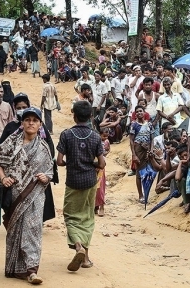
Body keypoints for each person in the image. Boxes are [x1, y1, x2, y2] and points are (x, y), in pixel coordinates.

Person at [0, 107, 53, 284]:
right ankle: (15, 268)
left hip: (35, 195)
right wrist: (3, 177)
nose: (30, 123)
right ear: (22, 123)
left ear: (40, 125)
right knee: (15, 231)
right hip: (15, 195)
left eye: (34, 120)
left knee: (33, 229)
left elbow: (50, 170)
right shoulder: (12, 141)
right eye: (27, 120)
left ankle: (32, 269)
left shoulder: (44, 147)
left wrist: (46, 177)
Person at [56, 100, 106, 272]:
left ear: (74, 115)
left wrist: (72, 162)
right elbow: (102, 163)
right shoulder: (95, 136)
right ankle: (85, 257)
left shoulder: (66, 134)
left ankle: (78, 246)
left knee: (70, 216)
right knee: (87, 217)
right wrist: (90, 163)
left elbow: (59, 161)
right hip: (90, 182)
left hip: (73, 181)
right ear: (90, 116)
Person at [0, 93, 56, 223]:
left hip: (36, 182)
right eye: (18, 107)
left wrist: (43, 168)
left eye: (24, 107)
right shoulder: (11, 130)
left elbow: (50, 150)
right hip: (16, 185)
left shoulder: (42, 135)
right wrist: (4, 176)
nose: (31, 123)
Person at [129, 105, 155, 203]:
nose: (139, 113)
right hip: (138, 149)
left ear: (144, 112)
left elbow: (152, 138)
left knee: (148, 171)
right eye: (137, 112)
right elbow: (131, 140)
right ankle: (140, 195)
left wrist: (151, 150)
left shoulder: (149, 124)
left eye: (141, 111)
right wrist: (134, 154)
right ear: (135, 114)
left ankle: (146, 192)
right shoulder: (134, 125)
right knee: (139, 172)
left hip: (147, 149)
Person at [96, 127, 111, 217]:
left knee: (100, 187)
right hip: (94, 166)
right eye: (103, 136)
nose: (105, 138)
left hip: (101, 166)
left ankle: (101, 206)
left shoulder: (107, 142)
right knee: (94, 187)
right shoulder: (96, 141)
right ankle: (95, 206)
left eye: (106, 136)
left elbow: (108, 149)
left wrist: (104, 153)